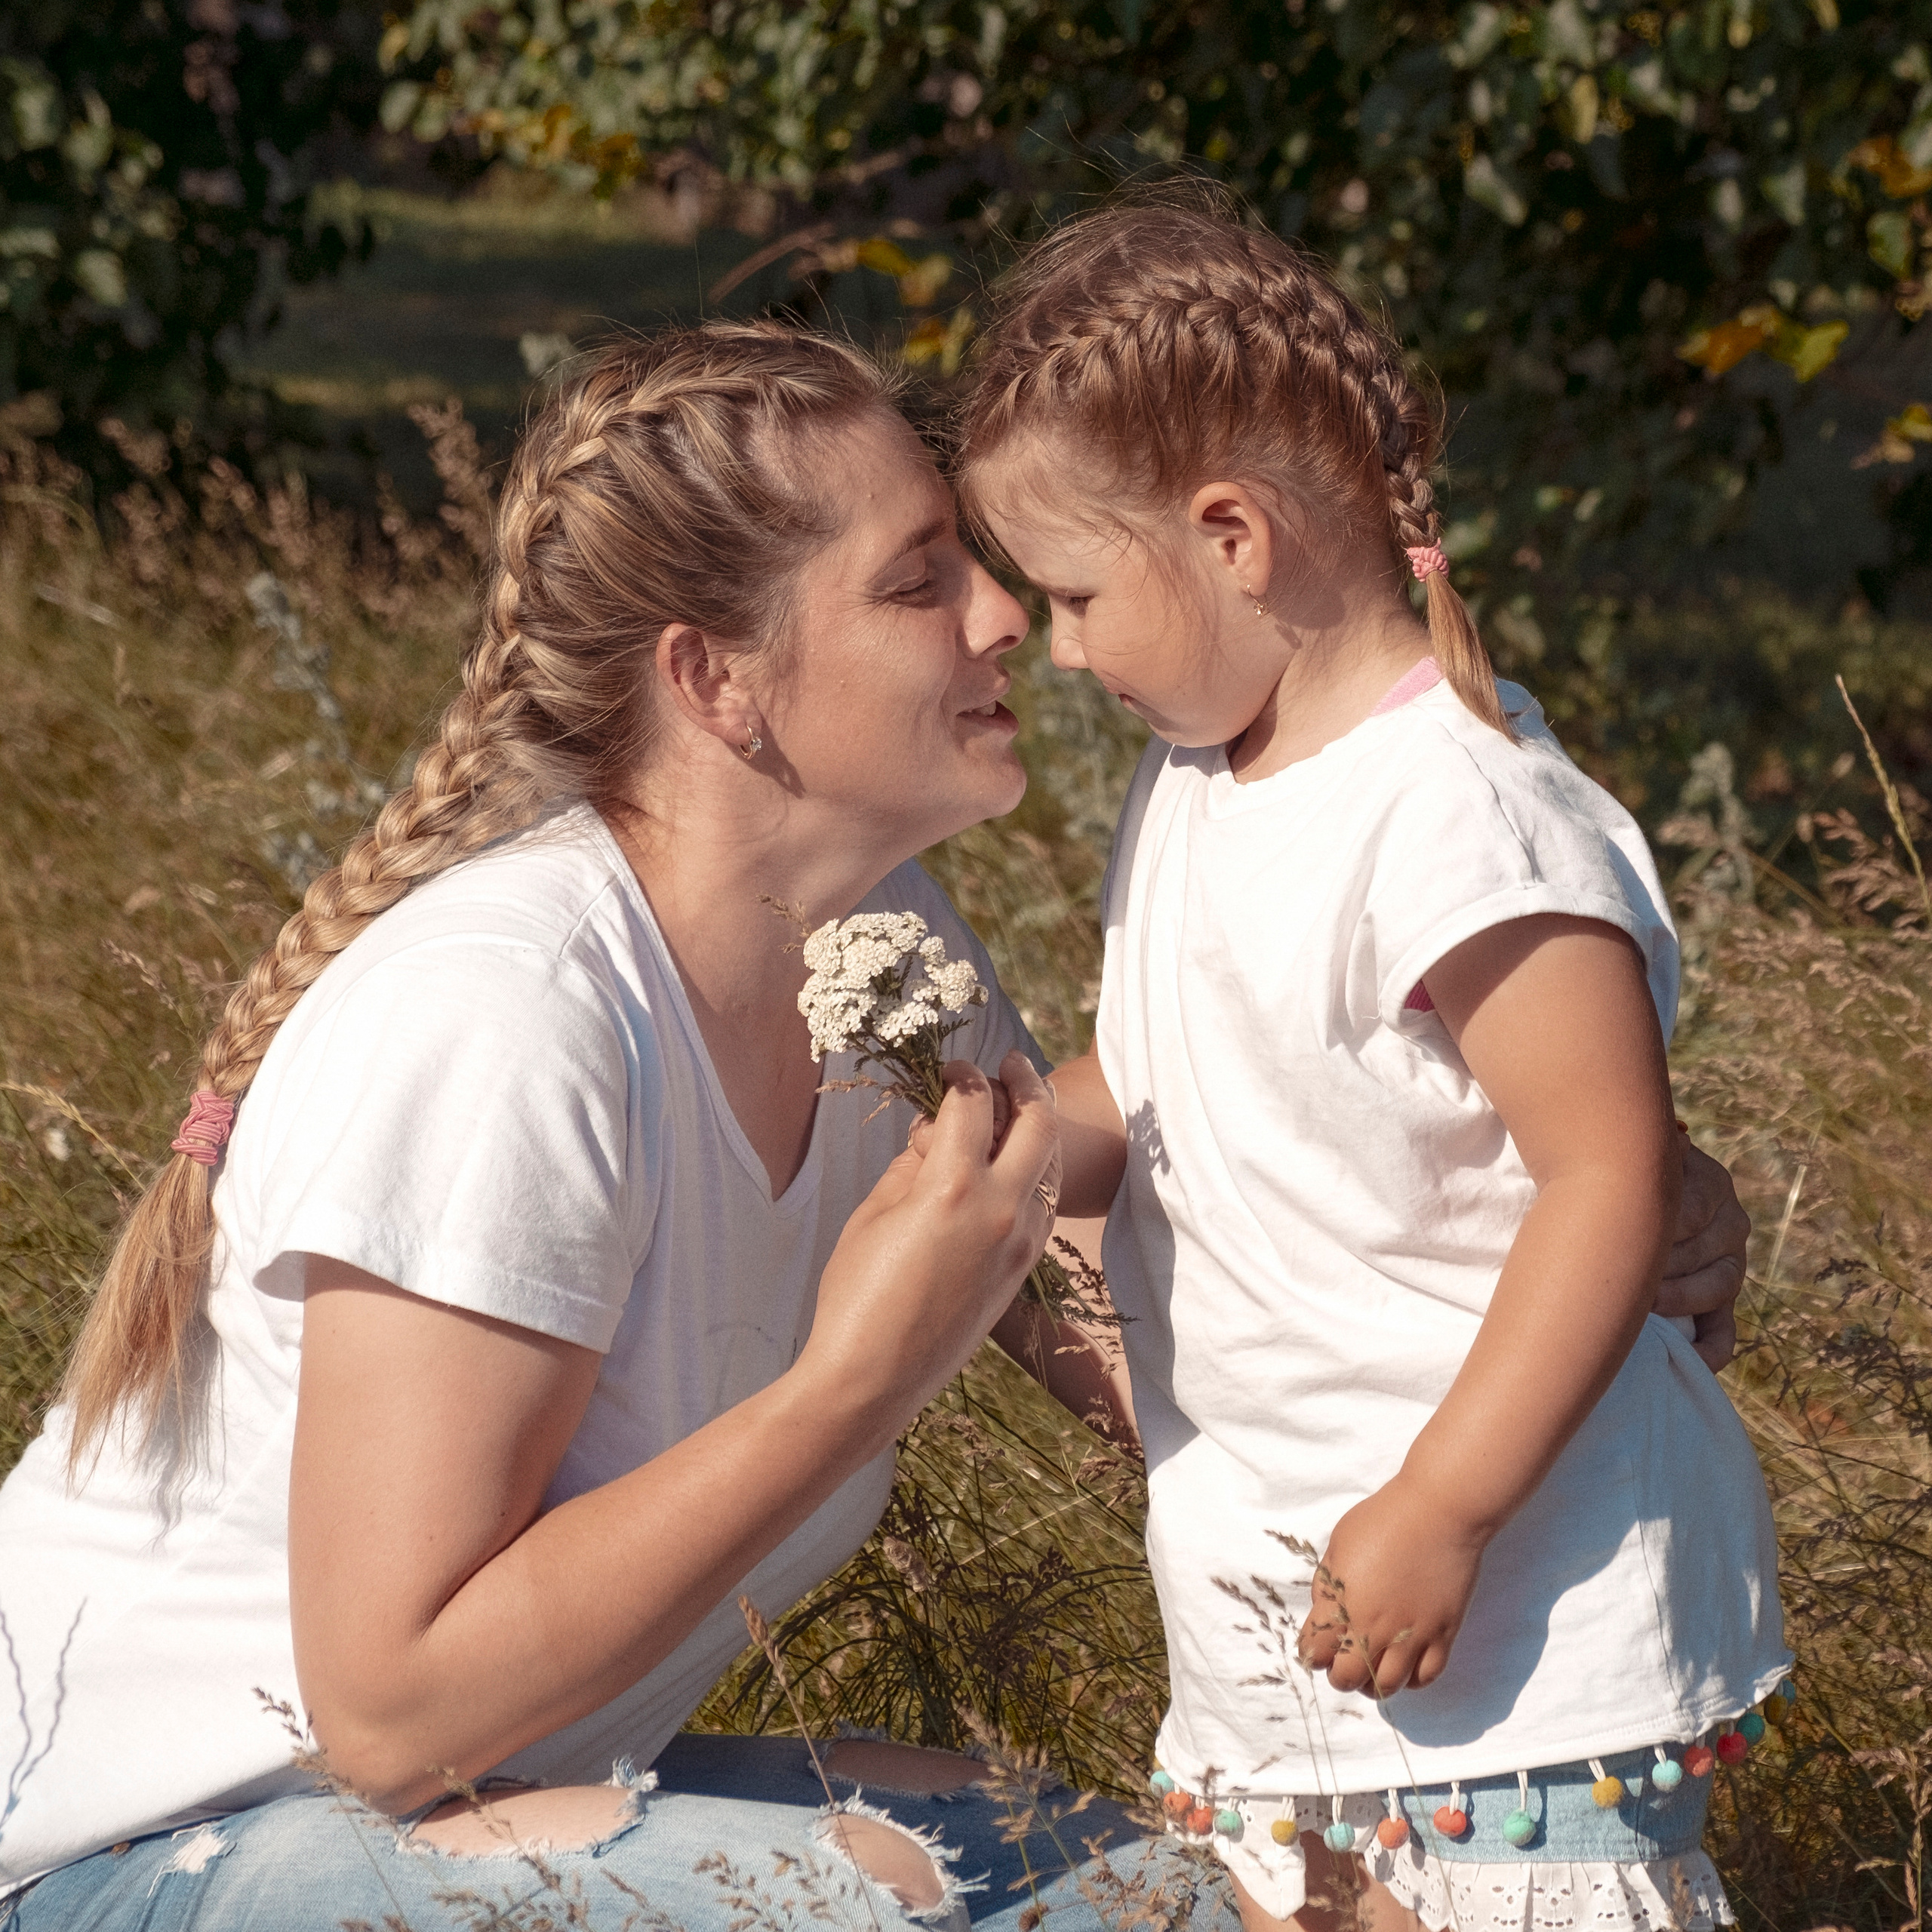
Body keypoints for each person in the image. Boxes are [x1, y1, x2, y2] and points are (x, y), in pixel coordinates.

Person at [0, 320, 1749, 1931]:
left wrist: (1552, 1205)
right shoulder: (507, 1011)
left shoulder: (885, 966)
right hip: (150, 1846)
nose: (1004, 616)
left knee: (1159, 1894)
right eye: (920, 581)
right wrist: (847, 1381)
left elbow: (1177, 1343)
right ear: (718, 680)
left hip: (481, 1816)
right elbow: (385, 1713)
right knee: (878, 1903)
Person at [955, 195, 1789, 1932]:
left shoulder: (1457, 819)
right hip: (1279, 1600)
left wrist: (1442, 1502)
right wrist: (1012, 1158)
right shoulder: (1201, 773)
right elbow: (1157, 1080)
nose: (1061, 649)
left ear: (1232, 536)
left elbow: (1604, 1174)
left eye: (1076, 594)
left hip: (1510, 1619)